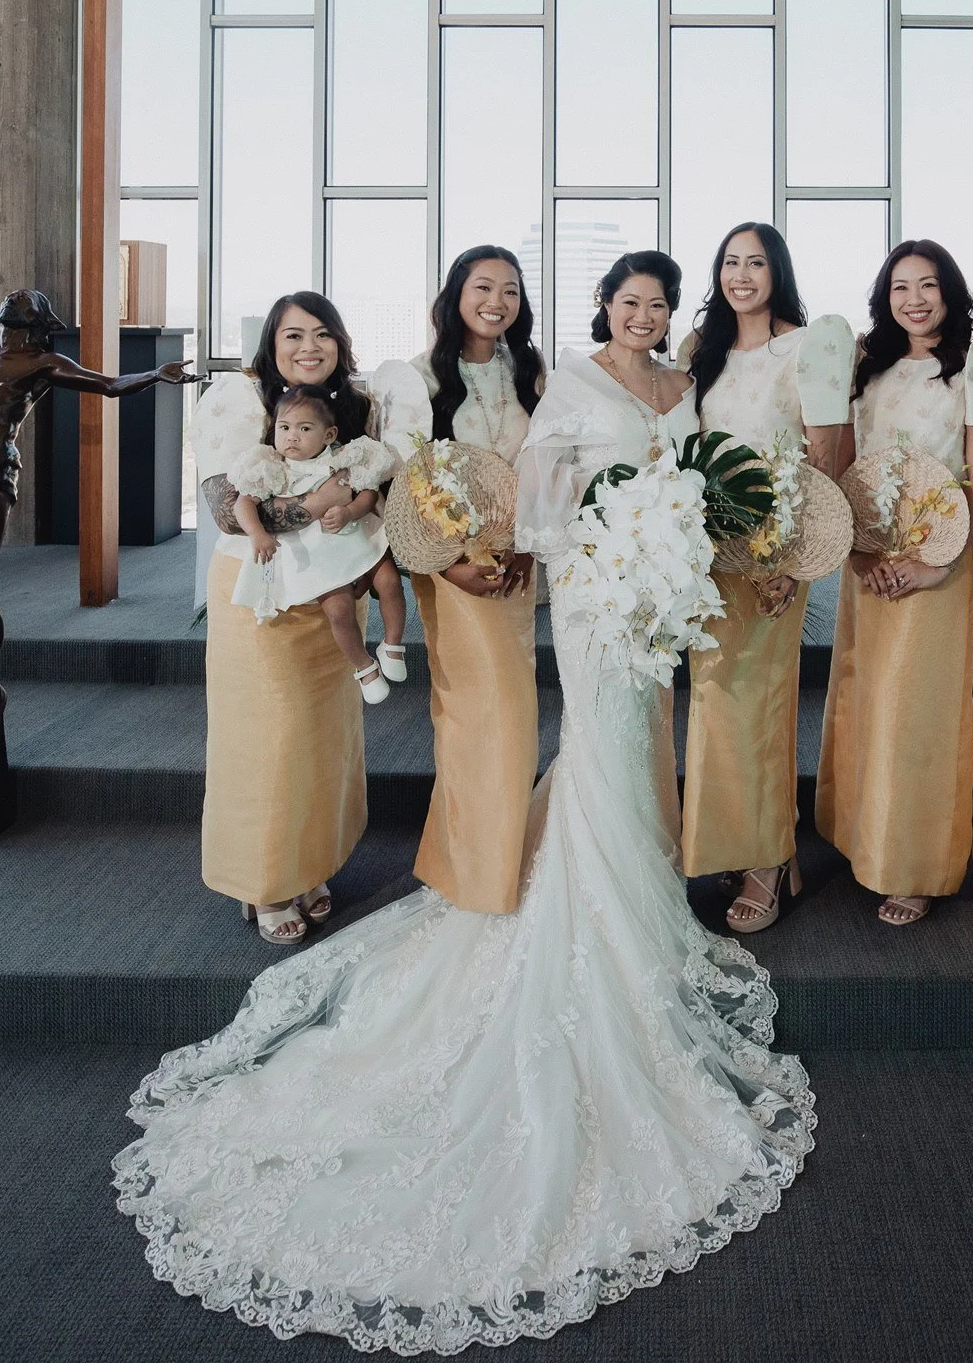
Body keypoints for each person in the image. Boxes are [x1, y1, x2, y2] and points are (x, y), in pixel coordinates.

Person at [113, 248, 813, 1351]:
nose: (642, 314)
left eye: (656, 304)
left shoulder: (680, 386)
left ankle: (625, 891)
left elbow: (698, 479)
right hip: (592, 588)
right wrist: (569, 551)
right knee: (594, 740)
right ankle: (579, 909)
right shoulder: (571, 382)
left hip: (660, 588)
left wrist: (673, 540)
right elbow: (541, 492)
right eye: (628, 300)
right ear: (602, 307)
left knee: (636, 748)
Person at [816, 242, 973, 927]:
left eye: (927, 285)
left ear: (950, 292)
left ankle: (917, 863)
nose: (914, 299)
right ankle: (866, 839)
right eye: (900, 287)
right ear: (884, 296)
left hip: (935, 562)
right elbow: (845, 463)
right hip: (870, 561)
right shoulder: (867, 362)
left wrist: (938, 562)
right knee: (864, 698)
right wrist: (858, 554)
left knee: (918, 711)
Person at [195, 291, 391, 946]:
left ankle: (305, 866)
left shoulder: (357, 408)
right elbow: (227, 506)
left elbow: (375, 493)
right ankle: (265, 879)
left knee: (320, 738)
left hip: (333, 591)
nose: (309, 347)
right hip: (261, 589)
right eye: (292, 336)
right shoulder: (240, 402)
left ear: (339, 342)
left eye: (322, 335)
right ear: (271, 347)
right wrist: (317, 503)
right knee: (267, 739)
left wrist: (355, 506)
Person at [679, 224, 852, 933]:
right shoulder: (701, 350)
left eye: (755, 262)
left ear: (777, 271)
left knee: (757, 702)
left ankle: (768, 860)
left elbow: (827, 454)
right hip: (706, 553)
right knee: (713, 700)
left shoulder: (804, 347)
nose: (741, 275)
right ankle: (730, 840)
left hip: (775, 550)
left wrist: (792, 558)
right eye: (729, 262)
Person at [373, 246, 545, 914]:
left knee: (514, 718)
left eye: (509, 289)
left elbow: (547, 468)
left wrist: (528, 545)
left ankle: (493, 861)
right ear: (455, 294)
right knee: (476, 716)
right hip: (450, 569)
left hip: (514, 567)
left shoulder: (528, 370)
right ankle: (473, 871)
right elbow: (400, 481)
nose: (496, 301)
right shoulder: (419, 378)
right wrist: (450, 564)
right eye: (482, 287)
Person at [0, 289, 193, 764]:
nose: (16, 300)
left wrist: (156, 372)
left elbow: (109, 385)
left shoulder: (43, 362)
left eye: (27, 301)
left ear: (38, 322)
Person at [229, 388, 404, 705]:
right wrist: (258, 534)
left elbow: (366, 492)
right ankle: (364, 667)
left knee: (390, 580)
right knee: (339, 610)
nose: (292, 437)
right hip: (317, 556)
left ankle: (392, 644)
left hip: (355, 535)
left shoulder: (342, 459)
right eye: (285, 428)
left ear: (329, 434)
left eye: (304, 429)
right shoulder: (273, 468)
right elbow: (243, 504)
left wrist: (350, 511)